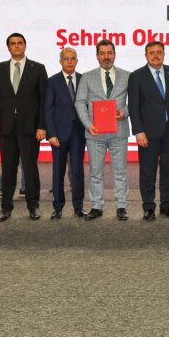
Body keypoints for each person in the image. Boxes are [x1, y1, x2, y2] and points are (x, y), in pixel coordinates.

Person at [0, 32, 48, 222]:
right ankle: (6, 208)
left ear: (25, 45)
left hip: (30, 128)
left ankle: (33, 206)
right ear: (8, 47)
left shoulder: (38, 69)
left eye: (20, 43)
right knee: (8, 169)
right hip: (6, 128)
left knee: (30, 169)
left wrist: (42, 126)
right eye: (13, 43)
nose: (16, 46)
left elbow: (44, 100)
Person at [75, 39, 131, 220]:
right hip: (95, 133)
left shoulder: (127, 76)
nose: (106, 57)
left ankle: (121, 206)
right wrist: (87, 124)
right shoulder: (86, 77)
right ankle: (96, 206)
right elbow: (80, 102)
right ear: (97, 56)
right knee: (95, 172)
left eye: (109, 53)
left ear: (114, 54)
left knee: (120, 171)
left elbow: (134, 102)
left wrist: (124, 112)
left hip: (119, 131)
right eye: (102, 53)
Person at [128, 40, 169, 221]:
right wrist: (138, 131)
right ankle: (148, 207)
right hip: (147, 134)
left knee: (168, 171)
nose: (156, 55)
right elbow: (133, 107)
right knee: (147, 172)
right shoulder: (137, 76)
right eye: (152, 53)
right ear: (146, 55)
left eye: (159, 52)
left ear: (164, 54)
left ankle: (166, 205)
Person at [45, 48, 86, 219]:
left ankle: (78, 206)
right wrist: (51, 134)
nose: (69, 61)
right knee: (58, 171)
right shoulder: (52, 81)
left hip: (79, 133)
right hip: (58, 135)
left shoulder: (84, 79)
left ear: (77, 61)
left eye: (72, 58)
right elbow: (48, 109)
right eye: (66, 58)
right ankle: (58, 207)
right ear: (60, 61)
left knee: (78, 171)